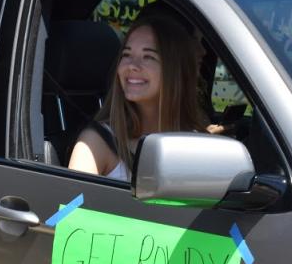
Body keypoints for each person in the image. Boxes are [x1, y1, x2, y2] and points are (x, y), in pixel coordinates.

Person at [68, 10, 210, 181]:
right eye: (126, 54)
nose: (132, 66)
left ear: (175, 71)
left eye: (148, 56)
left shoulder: (199, 144)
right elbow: (71, 206)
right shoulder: (96, 142)